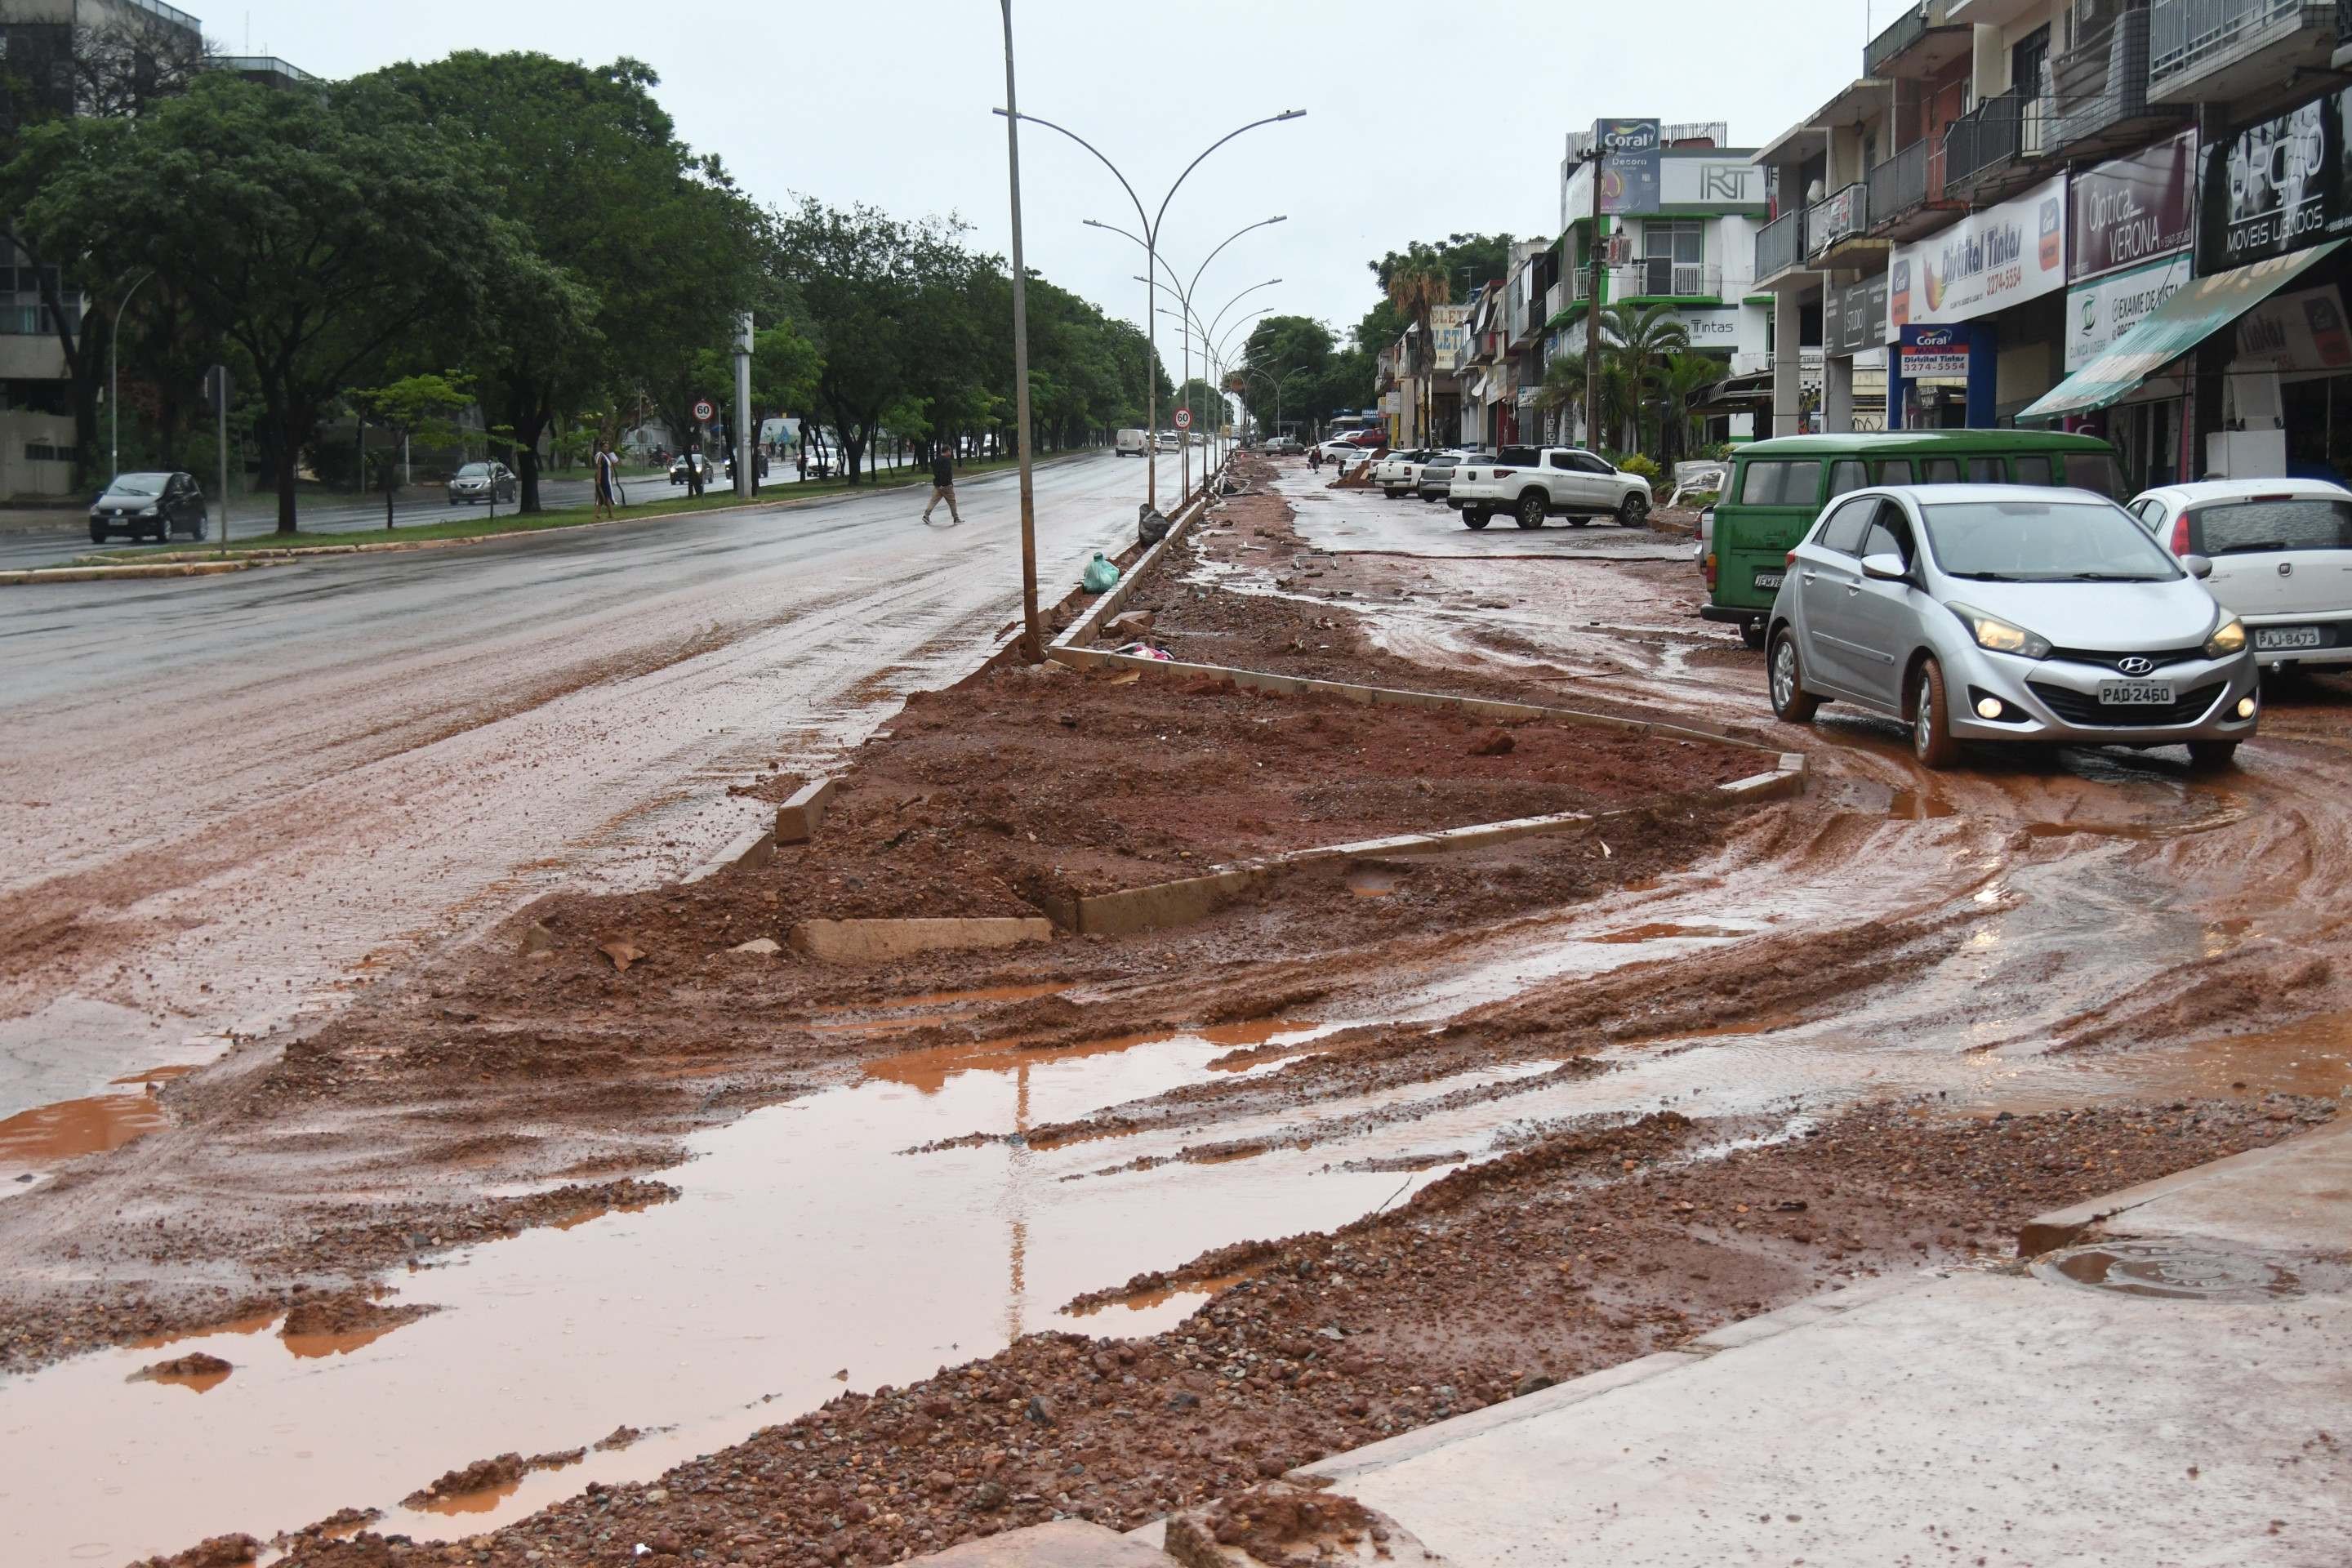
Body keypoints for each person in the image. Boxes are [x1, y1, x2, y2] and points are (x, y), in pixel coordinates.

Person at [922, 441, 960, 526]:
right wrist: (944, 484)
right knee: (952, 501)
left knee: (933, 500)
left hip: (937, 485)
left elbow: (936, 472)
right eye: (950, 451)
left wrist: (939, 484)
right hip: (946, 485)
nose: (951, 453)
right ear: (947, 451)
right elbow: (945, 473)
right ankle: (956, 518)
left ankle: (926, 515)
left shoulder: (937, 459)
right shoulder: (946, 461)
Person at [592, 439, 618, 520]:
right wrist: (599, 479)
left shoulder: (607, 456)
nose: (606, 448)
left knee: (604, 496)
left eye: (607, 447)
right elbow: (599, 467)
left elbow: (615, 464)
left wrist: (612, 456)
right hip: (603, 479)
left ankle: (600, 514)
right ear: (601, 447)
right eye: (605, 447)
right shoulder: (600, 455)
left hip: (608, 479)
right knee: (605, 496)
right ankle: (609, 514)